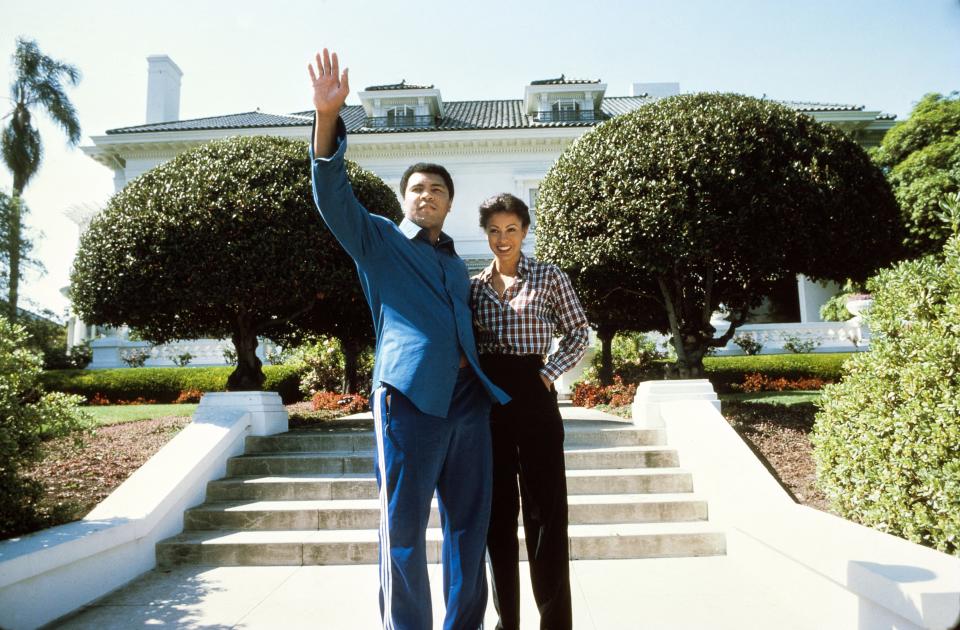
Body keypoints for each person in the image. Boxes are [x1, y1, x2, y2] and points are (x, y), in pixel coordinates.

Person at [308, 49, 510, 630]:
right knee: (401, 532)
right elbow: (332, 196)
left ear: (449, 203)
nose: (427, 196)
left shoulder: (455, 263)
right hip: (408, 400)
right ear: (404, 199)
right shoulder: (377, 241)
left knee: (470, 527)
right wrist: (326, 118)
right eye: (417, 189)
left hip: (470, 404)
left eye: (437, 190)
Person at [470, 193, 590, 630]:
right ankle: (508, 623)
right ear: (487, 235)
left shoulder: (548, 276)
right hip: (490, 402)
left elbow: (579, 333)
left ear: (524, 231)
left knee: (545, 514)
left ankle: (554, 623)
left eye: (511, 230)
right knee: (497, 517)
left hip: (535, 393)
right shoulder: (475, 287)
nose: (503, 239)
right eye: (495, 231)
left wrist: (547, 374)